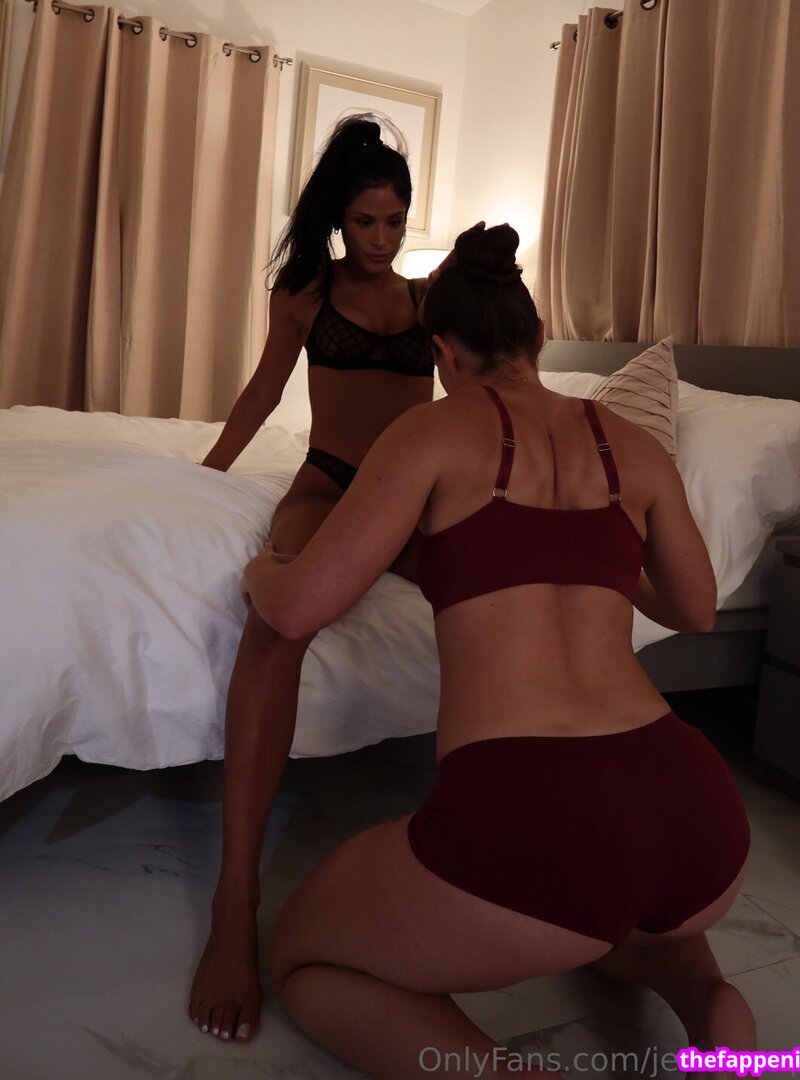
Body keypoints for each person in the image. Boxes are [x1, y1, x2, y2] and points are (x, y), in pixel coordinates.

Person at [239, 224, 756, 1078]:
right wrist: (593, 553)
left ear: (443, 351)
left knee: (304, 956)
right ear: (538, 336)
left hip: (534, 811)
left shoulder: (430, 433)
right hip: (694, 811)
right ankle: (711, 1007)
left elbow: (296, 612)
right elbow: (695, 610)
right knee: (625, 916)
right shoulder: (631, 445)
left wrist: (264, 569)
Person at [189, 114, 438, 1043]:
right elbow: (263, 390)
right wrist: (206, 475)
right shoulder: (304, 292)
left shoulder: (433, 300)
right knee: (275, 625)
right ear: (339, 219)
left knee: (494, 598)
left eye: (394, 221)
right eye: (364, 221)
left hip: (412, 495)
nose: (380, 239)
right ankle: (235, 901)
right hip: (329, 484)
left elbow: (484, 390)